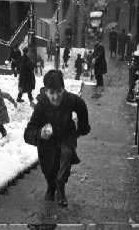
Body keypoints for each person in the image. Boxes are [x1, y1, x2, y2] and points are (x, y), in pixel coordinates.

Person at [23, 70, 91, 207]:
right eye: (51, 92)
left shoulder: (69, 99)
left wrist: (82, 127)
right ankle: (51, 186)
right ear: (46, 91)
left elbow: (81, 106)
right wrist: (40, 133)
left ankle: (60, 187)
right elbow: (28, 132)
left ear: (63, 89)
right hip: (48, 140)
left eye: (59, 91)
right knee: (49, 165)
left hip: (66, 135)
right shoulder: (41, 105)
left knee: (66, 154)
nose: (56, 97)